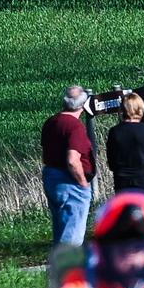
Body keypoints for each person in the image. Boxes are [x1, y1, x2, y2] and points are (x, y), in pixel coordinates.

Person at [41, 86, 95, 246]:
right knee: (72, 235)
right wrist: (83, 183)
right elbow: (73, 160)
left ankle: (58, 266)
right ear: (83, 105)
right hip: (70, 182)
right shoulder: (74, 126)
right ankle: (67, 268)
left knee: (61, 228)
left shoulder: (51, 122)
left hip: (52, 177)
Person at [105, 91, 144, 193]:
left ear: (123, 109)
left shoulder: (114, 132)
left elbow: (111, 163)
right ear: (141, 108)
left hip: (123, 185)